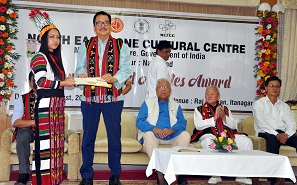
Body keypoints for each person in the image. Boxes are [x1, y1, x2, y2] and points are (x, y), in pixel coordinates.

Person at [75, 11, 131, 185]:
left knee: (114, 140)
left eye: (106, 22)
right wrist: (82, 75)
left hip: (112, 101)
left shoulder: (121, 45)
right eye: (99, 23)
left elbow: (126, 69)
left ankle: (115, 175)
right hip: (90, 101)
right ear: (94, 26)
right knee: (88, 139)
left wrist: (115, 78)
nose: (102, 26)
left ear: (111, 25)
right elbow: (78, 69)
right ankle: (86, 176)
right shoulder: (86, 44)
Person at [29, 9, 76, 185]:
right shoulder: (39, 57)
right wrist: (64, 83)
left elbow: (57, 81)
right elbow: (41, 81)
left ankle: (55, 181)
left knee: (56, 147)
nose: (55, 40)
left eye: (57, 37)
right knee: (45, 148)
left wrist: (68, 80)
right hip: (46, 106)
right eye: (51, 37)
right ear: (44, 39)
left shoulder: (55, 59)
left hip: (56, 106)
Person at [190, 86, 253, 185]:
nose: (209, 95)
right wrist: (213, 119)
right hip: (208, 133)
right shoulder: (199, 109)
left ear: (218, 96)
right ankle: (215, 174)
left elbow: (234, 125)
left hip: (227, 133)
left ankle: (242, 174)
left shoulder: (225, 109)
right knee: (209, 142)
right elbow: (198, 125)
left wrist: (224, 117)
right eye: (207, 93)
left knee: (246, 141)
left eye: (212, 93)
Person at [136, 78, 190, 185]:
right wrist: (153, 128)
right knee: (148, 135)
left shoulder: (176, 105)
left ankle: (175, 173)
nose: (163, 90)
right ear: (156, 91)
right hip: (155, 135)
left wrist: (171, 130)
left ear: (170, 91)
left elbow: (182, 123)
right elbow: (139, 121)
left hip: (172, 136)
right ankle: (160, 172)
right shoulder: (148, 103)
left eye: (166, 87)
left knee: (185, 135)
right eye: (160, 87)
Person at [253, 76, 297, 184]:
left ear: (280, 89)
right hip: (265, 133)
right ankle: (273, 179)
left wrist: (286, 134)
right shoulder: (259, 104)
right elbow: (262, 124)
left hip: (283, 133)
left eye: (277, 86)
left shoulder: (284, 106)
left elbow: (291, 123)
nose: (275, 88)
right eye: (272, 86)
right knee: (272, 140)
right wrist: (276, 134)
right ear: (266, 88)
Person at [11, 72, 36, 185]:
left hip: (48, 130)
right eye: (34, 81)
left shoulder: (51, 98)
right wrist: (34, 122)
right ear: (30, 83)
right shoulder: (22, 99)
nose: (37, 84)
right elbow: (15, 122)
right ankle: (23, 174)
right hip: (29, 130)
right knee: (22, 135)